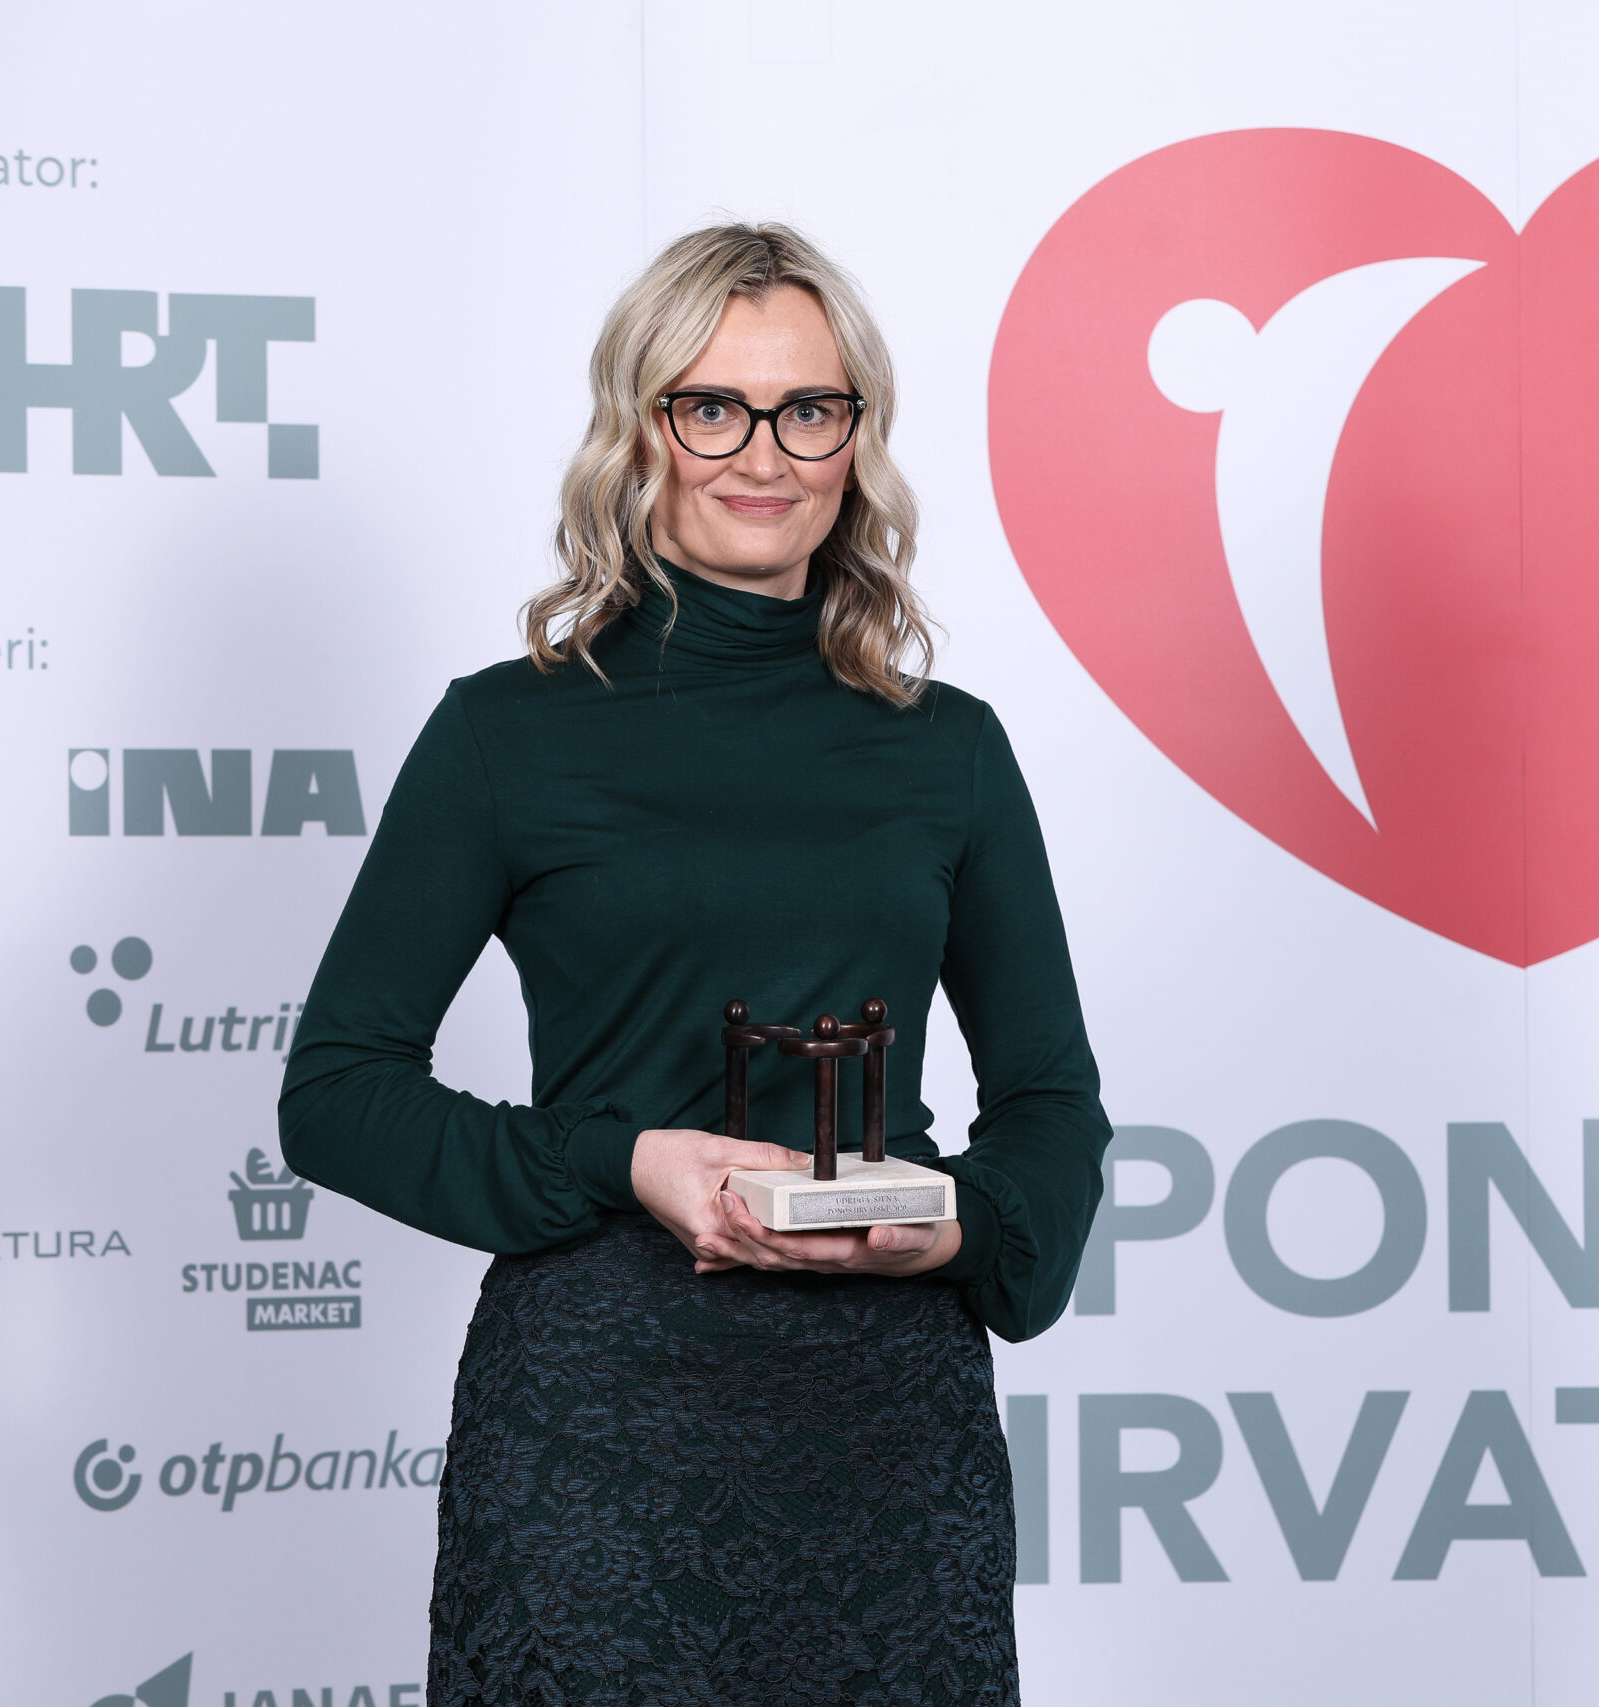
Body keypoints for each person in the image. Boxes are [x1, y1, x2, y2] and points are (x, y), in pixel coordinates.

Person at [280, 222, 1109, 1707]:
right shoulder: (505, 733)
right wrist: (626, 1161)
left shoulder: (951, 750)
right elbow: (337, 1095)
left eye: (810, 409)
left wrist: (954, 1228)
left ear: (857, 439)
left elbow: (1052, 1107)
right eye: (712, 407)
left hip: (889, 1448)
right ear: (639, 425)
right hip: (600, 1436)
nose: (764, 454)